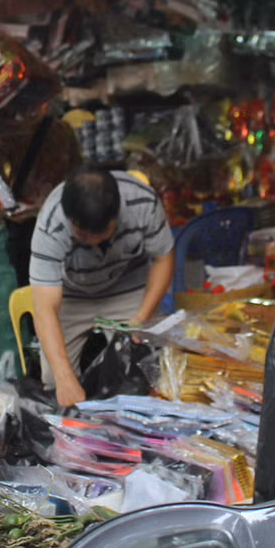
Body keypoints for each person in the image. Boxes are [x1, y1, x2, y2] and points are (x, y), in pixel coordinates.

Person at [29, 168, 174, 408]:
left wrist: (142, 316)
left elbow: (163, 258)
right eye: (81, 234)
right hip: (72, 294)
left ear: (115, 218)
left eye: (97, 234)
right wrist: (65, 378)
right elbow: (45, 308)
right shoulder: (51, 222)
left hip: (127, 286)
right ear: (70, 219)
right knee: (56, 381)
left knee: (149, 371)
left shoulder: (142, 202)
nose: (88, 240)